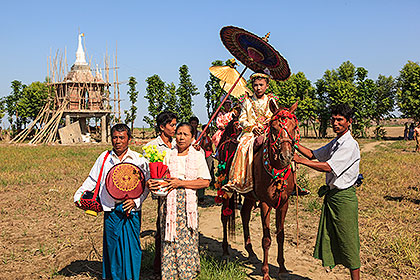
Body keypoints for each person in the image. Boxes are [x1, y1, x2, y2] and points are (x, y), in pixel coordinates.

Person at [293, 104, 361, 280]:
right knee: (333, 237)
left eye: (340, 120)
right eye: (333, 119)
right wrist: (291, 142)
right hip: (333, 197)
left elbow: (327, 167)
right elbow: (312, 154)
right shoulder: (336, 142)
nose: (335, 123)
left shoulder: (349, 145)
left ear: (349, 122)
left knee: (349, 241)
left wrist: (299, 161)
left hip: (344, 198)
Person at [74, 123, 150, 280]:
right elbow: (93, 179)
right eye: (115, 137)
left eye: (122, 137)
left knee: (132, 249)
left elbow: (146, 185)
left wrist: (136, 201)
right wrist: (79, 196)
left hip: (132, 212)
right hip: (110, 210)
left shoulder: (138, 159)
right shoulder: (104, 158)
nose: (118, 141)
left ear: (129, 139)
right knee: (112, 249)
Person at [147, 122, 211, 280]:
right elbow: (160, 176)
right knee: (169, 238)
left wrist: (181, 183)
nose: (181, 137)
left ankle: (187, 274)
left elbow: (205, 182)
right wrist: (152, 182)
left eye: (185, 134)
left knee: (187, 240)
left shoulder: (197, 155)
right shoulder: (168, 154)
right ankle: (169, 275)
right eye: (179, 133)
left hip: (186, 205)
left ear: (192, 137)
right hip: (168, 204)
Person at [225, 72, 275, 193]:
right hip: (250, 133)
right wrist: (252, 127)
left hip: (268, 131)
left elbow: (275, 116)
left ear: (267, 86)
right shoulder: (246, 101)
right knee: (243, 147)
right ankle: (238, 180)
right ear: (252, 86)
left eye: (261, 85)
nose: (258, 88)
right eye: (256, 85)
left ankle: (290, 180)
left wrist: (266, 126)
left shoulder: (271, 100)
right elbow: (242, 119)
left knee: (283, 144)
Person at [143, 110, 177, 275]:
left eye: (175, 124)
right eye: (171, 125)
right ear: (162, 127)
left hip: (178, 190)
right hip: (163, 193)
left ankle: (175, 263)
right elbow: (146, 173)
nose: (174, 127)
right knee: (162, 227)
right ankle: (159, 265)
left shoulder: (179, 143)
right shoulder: (151, 147)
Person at [189, 116, 214, 202]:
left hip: (200, 156)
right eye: (192, 123)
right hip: (190, 156)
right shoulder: (188, 134)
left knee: (201, 175)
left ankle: (201, 196)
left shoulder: (201, 134)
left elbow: (203, 147)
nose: (194, 125)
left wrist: (203, 138)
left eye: (195, 123)